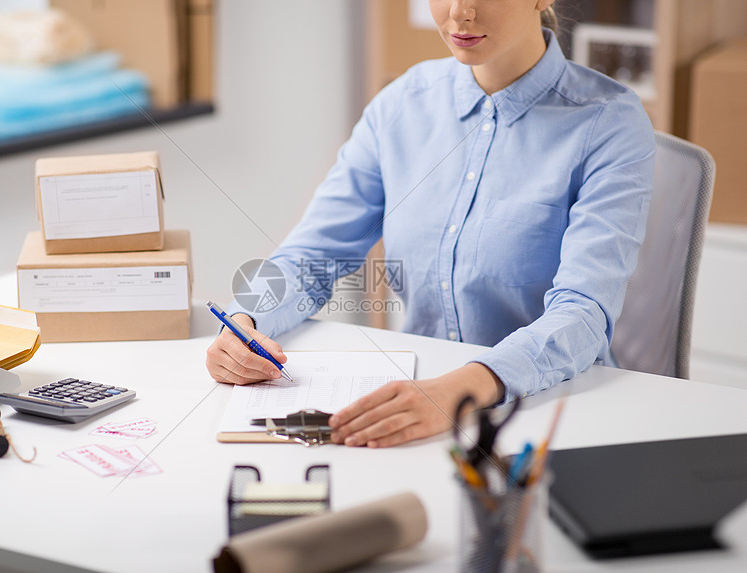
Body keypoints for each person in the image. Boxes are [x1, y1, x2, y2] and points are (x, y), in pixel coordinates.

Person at [206, 0, 655, 448]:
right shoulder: (403, 103)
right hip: (416, 401)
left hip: (552, 410)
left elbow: (583, 310)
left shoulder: (608, 121)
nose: (460, 12)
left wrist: (456, 391)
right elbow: (312, 255)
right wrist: (245, 319)